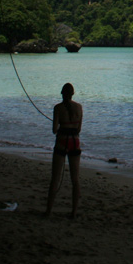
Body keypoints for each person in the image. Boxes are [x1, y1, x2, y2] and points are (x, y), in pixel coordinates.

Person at [45, 82, 83, 218]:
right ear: (73, 94)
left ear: (62, 93)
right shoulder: (79, 107)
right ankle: (74, 212)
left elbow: (55, 130)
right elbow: (79, 129)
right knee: (75, 179)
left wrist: (61, 123)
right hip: (75, 142)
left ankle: (48, 211)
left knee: (55, 178)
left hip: (61, 141)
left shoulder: (58, 108)